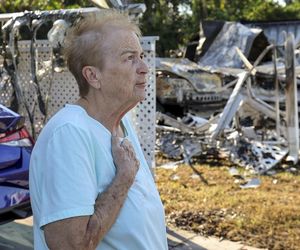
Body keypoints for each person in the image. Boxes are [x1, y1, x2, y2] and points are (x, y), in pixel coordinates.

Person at [29, 10, 168, 250]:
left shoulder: (120, 125)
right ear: (93, 76)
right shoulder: (69, 133)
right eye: (129, 58)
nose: (145, 67)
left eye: (142, 56)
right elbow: (69, 245)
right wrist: (123, 178)